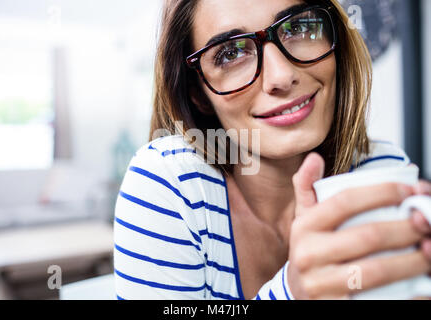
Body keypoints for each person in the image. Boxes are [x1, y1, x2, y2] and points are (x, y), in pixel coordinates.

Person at [114, 0, 431, 300]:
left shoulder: (380, 170)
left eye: (297, 27)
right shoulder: (169, 184)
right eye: (231, 52)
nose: (282, 76)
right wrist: (294, 291)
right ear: (197, 93)